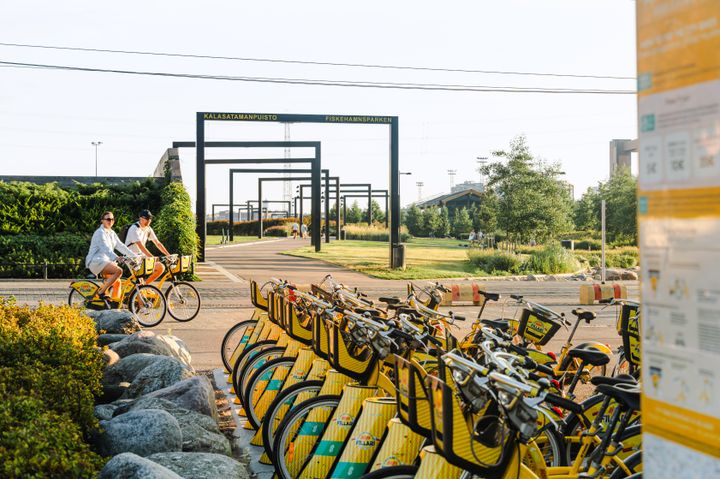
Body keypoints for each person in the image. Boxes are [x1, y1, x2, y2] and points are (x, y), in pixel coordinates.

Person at [85, 211, 139, 300]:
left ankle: (114, 303)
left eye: (112, 219)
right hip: (97, 261)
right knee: (119, 271)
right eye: (108, 219)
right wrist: (117, 257)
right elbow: (105, 249)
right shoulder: (99, 233)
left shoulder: (112, 233)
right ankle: (101, 292)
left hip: (106, 261)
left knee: (117, 283)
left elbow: (121, 246)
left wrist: (134, 256)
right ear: (102, 220)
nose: (110, 221)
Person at [125, 209, 171, 284]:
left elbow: (158, 243)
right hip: (132, 258)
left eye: (150, 218)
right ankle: (141, 287)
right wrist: (152, 257)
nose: (149, 220)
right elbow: (141, 246)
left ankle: (145, 286)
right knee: (139, 278)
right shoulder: (134, 228)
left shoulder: (148, 229)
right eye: (147, 218)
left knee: (161, 267)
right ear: (141, 218)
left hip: (141, 257)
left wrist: (169, 255)